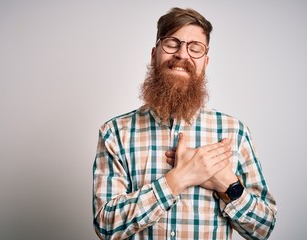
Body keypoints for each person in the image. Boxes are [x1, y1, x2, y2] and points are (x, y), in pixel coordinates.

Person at [92, 7, 277, 240]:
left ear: (206, 62)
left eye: (195, 48)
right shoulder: (115, 133)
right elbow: (106, 226)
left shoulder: (234, 132)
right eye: (172, 43)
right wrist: (179, 179)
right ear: (153, 54)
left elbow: (263, 229)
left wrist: (226, 183)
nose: (182, 54)